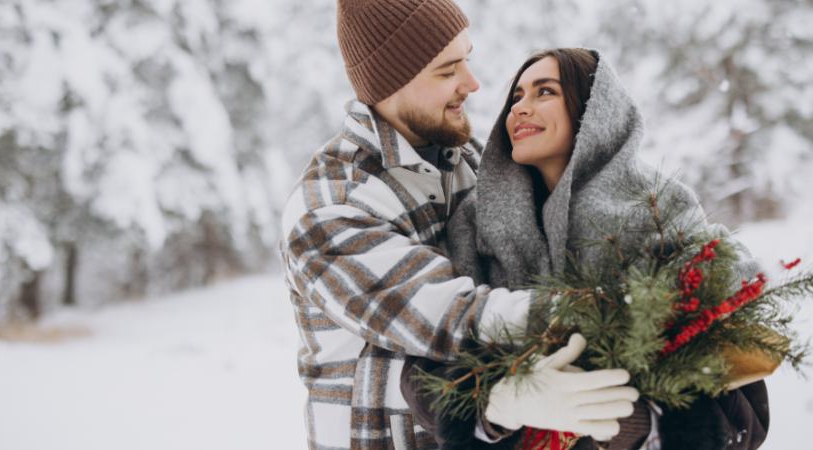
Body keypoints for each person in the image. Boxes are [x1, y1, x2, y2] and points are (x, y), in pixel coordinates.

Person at [279, 2, 638, 448]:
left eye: (468, 58)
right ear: (393, 82)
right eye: (448, 71)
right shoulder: (328, 206)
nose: (473, 83)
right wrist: (612, 315)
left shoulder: (469, 161)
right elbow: (450, 313)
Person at [401, 49, 770, 450]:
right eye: (516, 97)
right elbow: (426, 363)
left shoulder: (662, 207)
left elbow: (744, 413)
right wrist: (497, 406)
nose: (520, 109)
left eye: (545, 92)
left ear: (595, 110)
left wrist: (636, 424)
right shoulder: (472, 223)